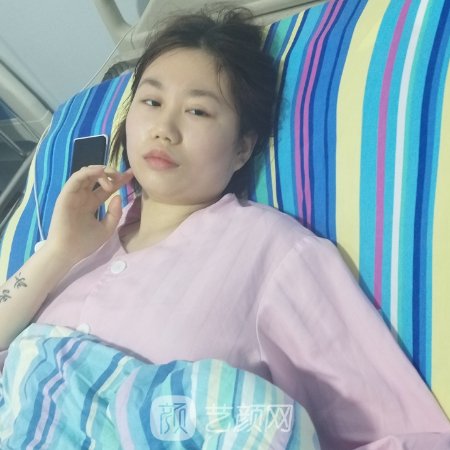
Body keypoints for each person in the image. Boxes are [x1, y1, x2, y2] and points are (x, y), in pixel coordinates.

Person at [0, 7, 449, 450]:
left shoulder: (271, 251)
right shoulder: (76, 240)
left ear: (242, 148)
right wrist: (56, 252)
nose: (164, 128)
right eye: (151, 102)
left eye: (197, 111)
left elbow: (408, 432)